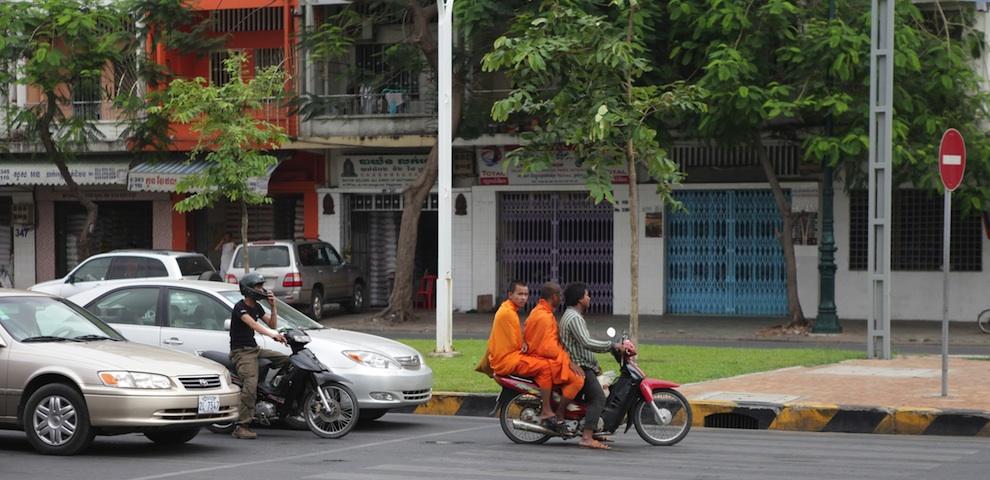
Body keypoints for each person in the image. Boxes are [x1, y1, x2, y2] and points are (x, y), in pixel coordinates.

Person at [559, 282, 625, 450]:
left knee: (602, 391)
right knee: (598, 398)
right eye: (587, 295)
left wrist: (596, 364)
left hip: (584, 364)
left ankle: (592, 428)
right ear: (580, 299)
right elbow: (586, 342)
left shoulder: (574, 316)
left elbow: (581, 345)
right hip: (580, 367)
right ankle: (587, 437)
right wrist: (612, 346)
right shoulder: (573, 318)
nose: (589, 298)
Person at [486, 280, 557, 423]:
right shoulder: (508, 313)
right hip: (507, 360)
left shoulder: (508, 309)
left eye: (526, 294)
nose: (523, 298)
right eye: (520, 294)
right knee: (545, 367)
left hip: (508, 356)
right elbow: (516, 343)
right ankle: (546, 410)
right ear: (510, 294)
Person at [229, 272, 289, 440]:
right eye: (258, 287)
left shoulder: (257, 306)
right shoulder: (240, 307)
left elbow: (272, 324)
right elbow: (253, 324)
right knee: (250, 385)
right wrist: (272, 335)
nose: (262, 289)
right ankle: (242, 426)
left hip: (254, 349)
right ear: (249, 290)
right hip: (241, 352)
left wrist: (274, 306)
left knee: (287, 360)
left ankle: (273, 395)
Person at [523, 282, 585, 431]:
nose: (562, 299)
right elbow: (548, 348)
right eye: (560, 296)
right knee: (578, 379)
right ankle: (560, 413)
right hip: (544, 358)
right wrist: (567, 360)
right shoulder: (544, 316)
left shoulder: (540, 312)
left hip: (544, 356)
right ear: (554, 296)